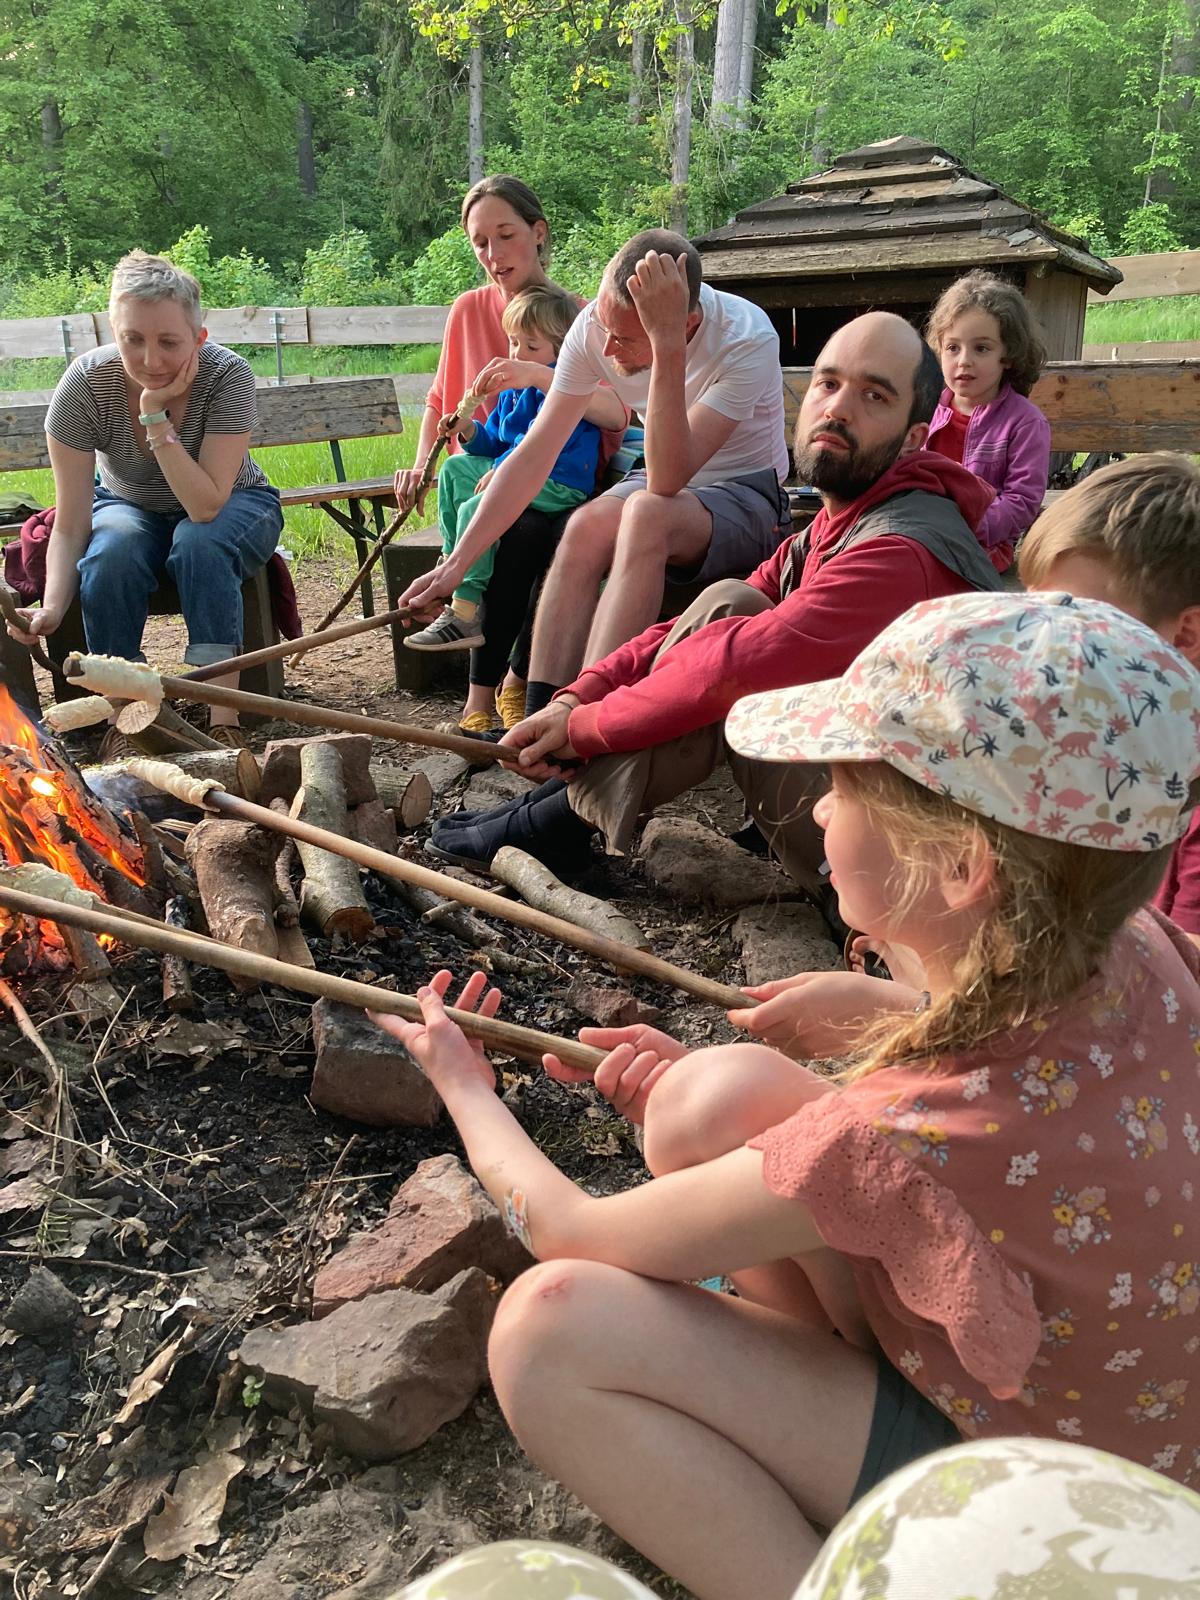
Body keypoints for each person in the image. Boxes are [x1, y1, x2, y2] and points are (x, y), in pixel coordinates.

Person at [371, 590, 1200, 1600]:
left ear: (960, 866)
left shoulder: (909, 1134)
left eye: (844, 782)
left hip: (1044, 1511)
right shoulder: (1145, 949)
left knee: (547, 1330)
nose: (815, 805)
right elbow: (1028, 1070)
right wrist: (870, 1002)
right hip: (1146, 1439)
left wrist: (465, 1086)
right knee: (713, 1096)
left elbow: (567, 1232)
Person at [426, 311, 1002, 883]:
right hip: (866, 802)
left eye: (874, 395)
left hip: (917, 869)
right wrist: (577, 698)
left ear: (912, 440)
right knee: (729, 603)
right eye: (829, 383)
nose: (838, 408)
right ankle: (552, 819)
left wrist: (583, 731)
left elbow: (732, 666)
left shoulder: (901, 550)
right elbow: (715, 626)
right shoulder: (840, 522)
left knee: (738, 692)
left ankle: (553, 823)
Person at [398, 229, 791, 718]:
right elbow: (534, 453)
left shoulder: (745, 337)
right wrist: (455, 565)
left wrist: (668, 347)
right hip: (661, 483)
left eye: (624, 337)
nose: (606, 348)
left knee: (647, 513)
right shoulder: (594, 328)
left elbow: (667, 479)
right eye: (604, 326)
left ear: (686, 322)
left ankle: (586, 717)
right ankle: (541, 718)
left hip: (747, 493)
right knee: (584, 525)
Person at [5, 250, 283, 750]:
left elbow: (205, 506)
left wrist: (154, 418)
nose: (150, 360)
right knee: (112, 550)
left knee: (198, 541)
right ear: (112, 332)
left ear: (199, 338)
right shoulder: (84, 385)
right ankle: (127, 719)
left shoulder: (227, 375)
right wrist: (50, 606)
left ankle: (223, 722)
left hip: (234, 503)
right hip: (127, 503)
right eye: (133, 339)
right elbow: (70, 523)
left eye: (169, 342)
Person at [394, 176, 626, 735]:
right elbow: (444, 399)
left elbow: (618, 412)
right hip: (489, 473)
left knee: (525, 533)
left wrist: (541, 376)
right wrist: (425, 461)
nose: (493, 256)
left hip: (566, 479)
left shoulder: (581, 314)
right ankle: (480, 686)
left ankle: (513, 681)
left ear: (538, 232)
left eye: (505, 236)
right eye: (480, 243)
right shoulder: (470, 310)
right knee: (501, 521)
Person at [404, 285, 600, 678]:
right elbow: (495, 441)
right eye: (513, 344)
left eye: (531, 346)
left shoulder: (562, 387)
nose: (518, 356)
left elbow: (540, 448)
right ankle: (454, 558)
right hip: (519, 471)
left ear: (561, 350)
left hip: (559, 481)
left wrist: (504, 468)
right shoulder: (513, 391)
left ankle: (466, 607)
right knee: (456, 469)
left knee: (477, 505)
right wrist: (467, 430)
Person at [924, 269, 1051, 573]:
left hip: (984, 549)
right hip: (920, 534)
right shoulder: (924, 411)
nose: (963, 360)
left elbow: (1022, 500)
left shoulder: (1025, 422)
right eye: (952, 347)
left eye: (981, 348)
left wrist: (970, 527)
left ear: (1007, 355)